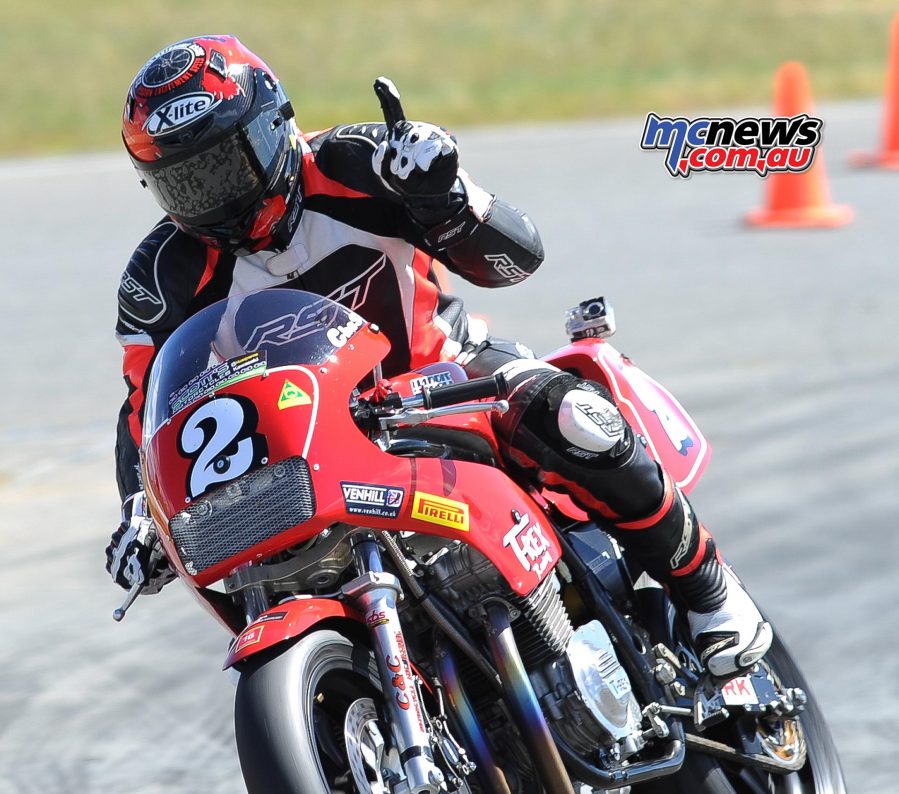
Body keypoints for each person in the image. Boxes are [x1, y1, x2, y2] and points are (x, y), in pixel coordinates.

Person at [106, 35, 771, 679]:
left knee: (568, 414)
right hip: (309, 452)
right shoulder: (163, 276)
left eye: (227, 165)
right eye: (187, 183)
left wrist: (445, 202)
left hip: (446, 380)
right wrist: (140, 511)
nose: (216, 197)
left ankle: (710, 590)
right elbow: (148, 410)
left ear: (275, 129)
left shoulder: (356, 163)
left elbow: (516, 260)